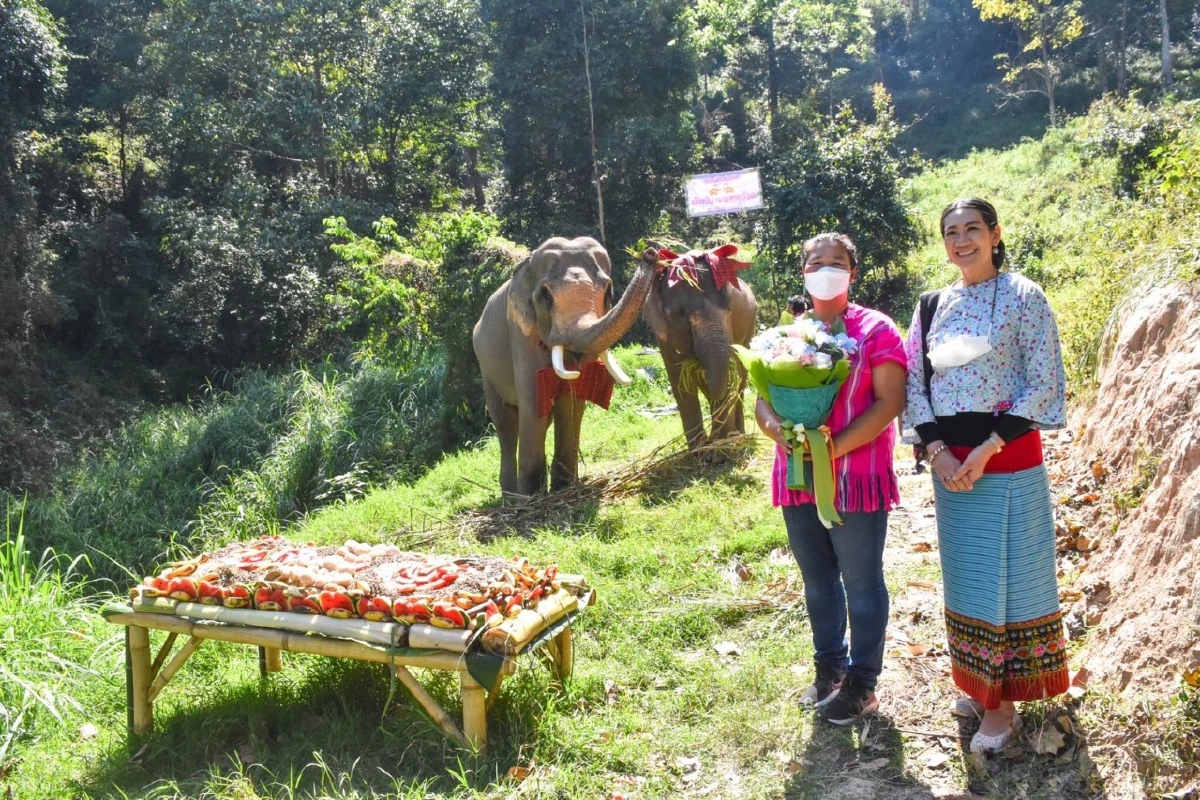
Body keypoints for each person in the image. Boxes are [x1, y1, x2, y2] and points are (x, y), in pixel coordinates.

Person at [902, 198, 1069, 754]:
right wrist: (940, 451)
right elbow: (914, 386)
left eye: (973, 229)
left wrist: (988, 448)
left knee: (1011, 577)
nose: (962, 240)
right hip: (952, 468)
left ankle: (1003, 708)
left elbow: (1043, 382)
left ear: (995, 234)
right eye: (951, 232)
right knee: (970, 577)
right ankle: (979, 686)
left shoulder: (1025, 297)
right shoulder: (931, 306)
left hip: (1009, 459)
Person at [755, 233, 907, 725]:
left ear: (852, 272)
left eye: (837, 262)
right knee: (817, 579)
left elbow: (890, 402)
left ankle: (863, 683)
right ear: (803, 273)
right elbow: (762, 396)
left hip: (856, 475)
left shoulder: (877, 330)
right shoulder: (787, 336)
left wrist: (834, 448)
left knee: (861, 580)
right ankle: (830, 670)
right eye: (816, 263)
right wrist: (777, 430)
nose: (826, 269)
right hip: (798, 475)